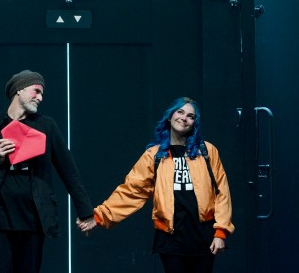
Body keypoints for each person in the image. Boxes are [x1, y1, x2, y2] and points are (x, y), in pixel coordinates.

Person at [0, 70, 97, 273]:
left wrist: (87, 213)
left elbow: (69, 172)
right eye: (36, 91)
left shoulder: (46, 126)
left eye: (42, 94)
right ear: (19, 90)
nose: (40, 98)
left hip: (32, 221)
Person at [90, 96, 234, 273]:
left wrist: (221, 232)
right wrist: (99, 216)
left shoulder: (207, 151)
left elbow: (222, 192)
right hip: (170, 237)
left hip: (203, 236)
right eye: (180, 112)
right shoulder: (154, 155)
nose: (184, 118)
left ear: (194, 124)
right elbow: (131, 191)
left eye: (190, 116)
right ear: (170, 116)